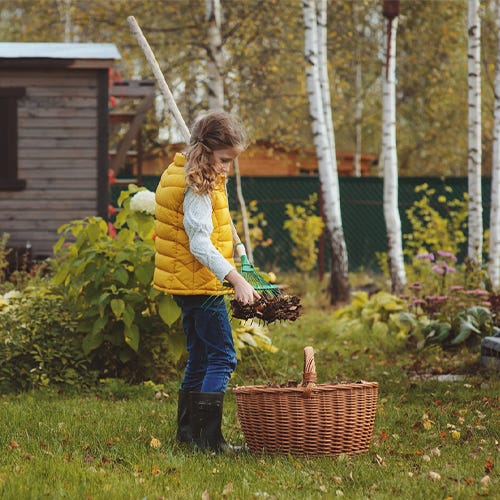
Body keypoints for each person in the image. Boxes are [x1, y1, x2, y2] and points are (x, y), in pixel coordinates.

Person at [153, 111, 259, 452]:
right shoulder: (197, 186)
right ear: (206, 150)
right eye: (225, 159)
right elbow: (199, 243)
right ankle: (210, 441)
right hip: (200, 284)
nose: (227, 167)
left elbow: (219, 223)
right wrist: (236, 280)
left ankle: (189, 434)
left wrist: (239, 248)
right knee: (223, 357)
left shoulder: (191, 173)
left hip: (188, 283)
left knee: (199, 356)